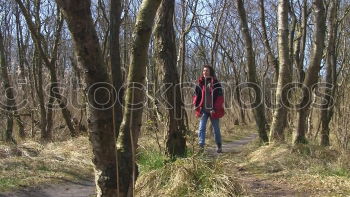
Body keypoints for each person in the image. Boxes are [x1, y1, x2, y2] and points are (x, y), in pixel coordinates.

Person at [193, 65, 225, 153]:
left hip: (213, 110)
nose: (204, 72)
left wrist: (215, 108)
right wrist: (196, 106)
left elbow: (220, 97)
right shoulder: (200, 83)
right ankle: (201, 147)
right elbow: (196, 96)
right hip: (203, 110)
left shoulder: (216, 83)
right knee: (201, 128)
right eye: (203, 70)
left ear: (210, 72)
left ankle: (219, 146)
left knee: (216, 129)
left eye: (206, 70)